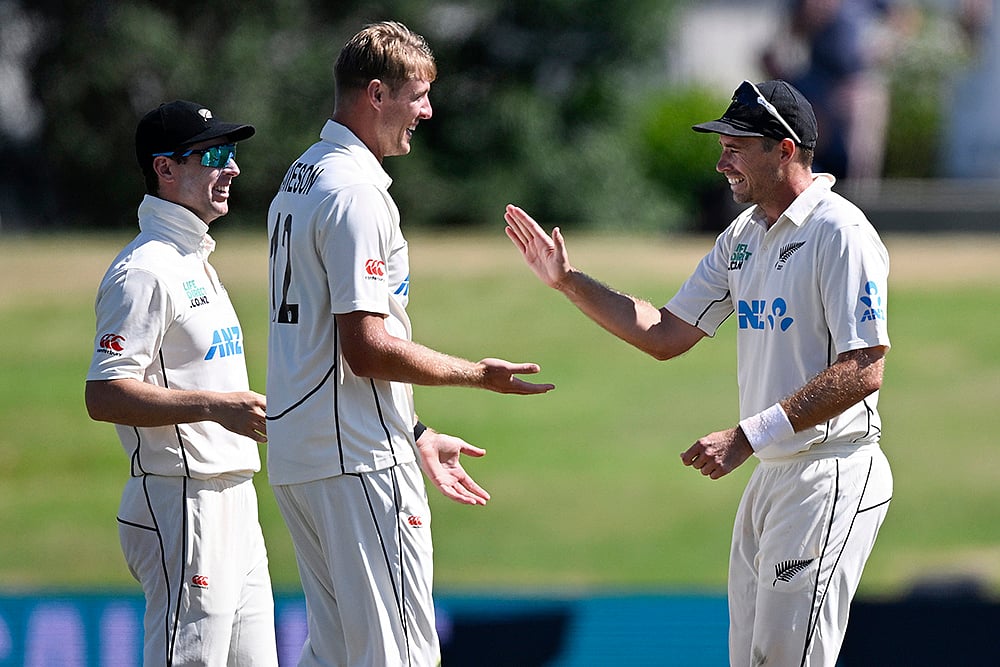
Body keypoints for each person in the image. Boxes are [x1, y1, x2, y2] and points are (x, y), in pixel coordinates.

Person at [505, 79, 892, 667]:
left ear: (783, 149)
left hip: (831, 470)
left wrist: (745, 436)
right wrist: (567, 281)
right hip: (773, 475)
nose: (721, 163)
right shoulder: (743, 235)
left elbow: (864, 370)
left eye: (735, 147)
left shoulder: (841, 232)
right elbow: (664, 333)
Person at [264, 21, 555, 667]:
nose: (427, 111)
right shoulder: (355, 191)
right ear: (375, 93)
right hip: (357, 460)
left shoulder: (301, 175)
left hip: (302, 456)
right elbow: (364, 346)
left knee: (336, 653)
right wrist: (478, 374)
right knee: (398, 655)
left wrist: (415, 428)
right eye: (418, 95)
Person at [85, 100, 277, 666]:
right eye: (214, 154)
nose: (233, 168)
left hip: (233, 497)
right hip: (182, 499)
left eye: (233, 153)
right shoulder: (145, 269)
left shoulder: (192, 259)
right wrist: (218, 408)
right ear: (164, 168)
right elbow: (104, 393)